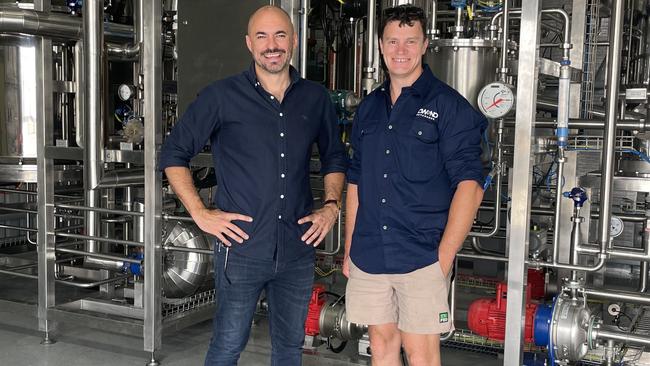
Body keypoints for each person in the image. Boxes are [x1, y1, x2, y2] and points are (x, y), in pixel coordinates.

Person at [159, 5, 347, 366]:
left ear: (293, 40)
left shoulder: (315, 98)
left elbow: (335, 158)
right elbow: (173, 153)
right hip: (241, 249)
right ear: (249, 43)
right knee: (228, 346)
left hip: (297, 249)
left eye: (280, 35)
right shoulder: (221, 97)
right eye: (262, 36)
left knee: (290, 348)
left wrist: (331, 207)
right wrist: (200, 213)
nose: (271, 45)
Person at [343, 5, 486, 366]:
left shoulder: (448, 106)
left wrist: (444, 256)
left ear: (424, 45)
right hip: (370, 251)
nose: (401, 49)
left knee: (420, 352)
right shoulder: (369, 108)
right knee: (381, 343)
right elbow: (356, 183)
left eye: (410, 41)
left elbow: (470, 185)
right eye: (393, 41)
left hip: (422, 254)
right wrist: (348, 249)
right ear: (380, 45)